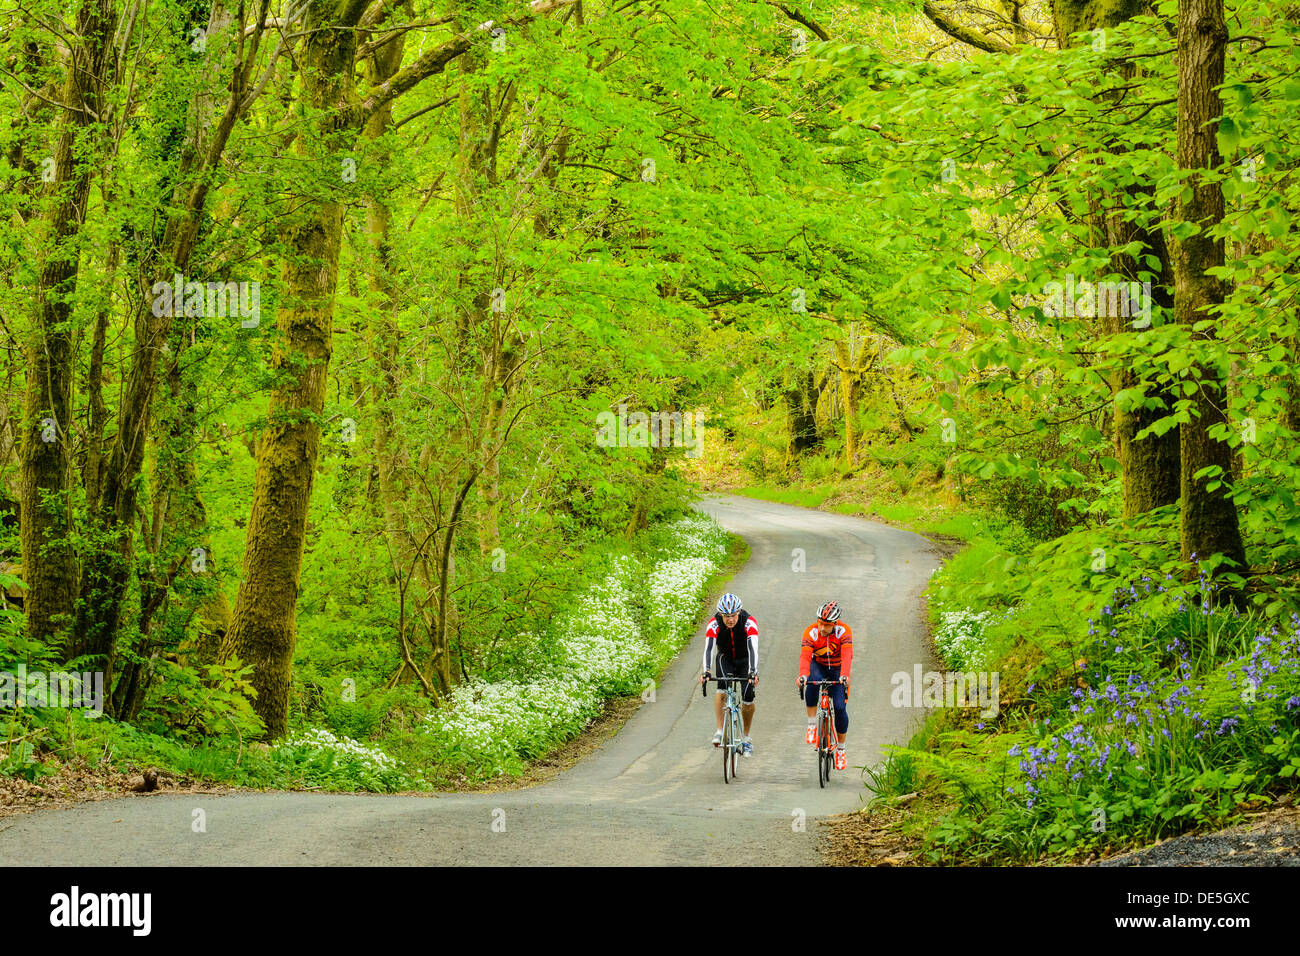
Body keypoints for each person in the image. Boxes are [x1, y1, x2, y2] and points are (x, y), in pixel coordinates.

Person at [700, 592, 759, 756]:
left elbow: (753, 648)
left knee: (748, 696)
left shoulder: (749, 622)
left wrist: (753, 672)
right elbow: (709, 648)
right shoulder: (714, 623)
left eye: (733, 615)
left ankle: (746, 739)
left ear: (739, 612)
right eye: (726, 616)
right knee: (722, 688)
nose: (730, 619)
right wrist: (706, 671)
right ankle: (719, 730)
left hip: (745, 659)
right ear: (720, 614)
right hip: (725, 657)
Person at [797, 600, 853, 771]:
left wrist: (844, 675)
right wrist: (802, 675)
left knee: (840, 708)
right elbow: (805, 657)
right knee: (812, 681)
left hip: (837, 669)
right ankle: (812, 724)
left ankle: (841, 750)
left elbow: (847, 656)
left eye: (826, 625)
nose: (822, 628)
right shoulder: (811, 632)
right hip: (819, 665)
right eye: (820, 623)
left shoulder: (844, 631)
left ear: (834, 624)